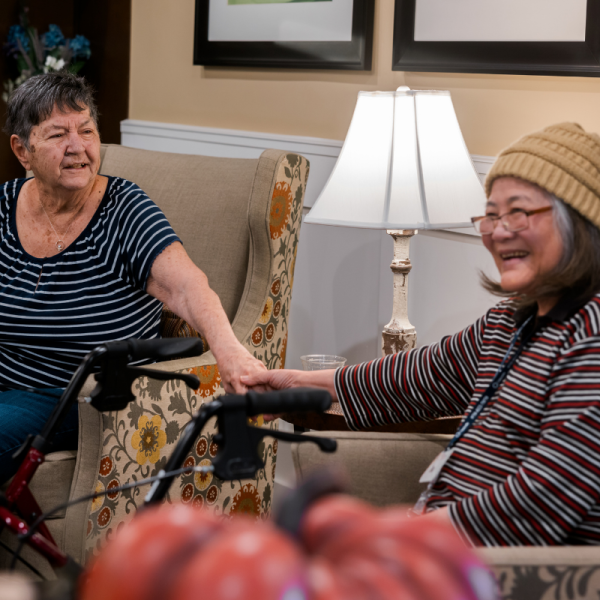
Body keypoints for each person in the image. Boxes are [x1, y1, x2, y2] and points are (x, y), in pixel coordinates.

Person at [243, 122, 600, 546]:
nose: (499, 232)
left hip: (520, 570)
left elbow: (548, 497)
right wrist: (298, 383)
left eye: (518, 213)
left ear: (578, 221)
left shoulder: (590, 336)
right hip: (452, 551)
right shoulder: (513, 319)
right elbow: (417, 376)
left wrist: (398, 537)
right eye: (490, 215)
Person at [0, 72, 265, 484]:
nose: (78, 147)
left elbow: (187, 286)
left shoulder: (124, 210)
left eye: (87, 130)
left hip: (77, 397)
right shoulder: (4, 207)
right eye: (57, 135)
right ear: (22, 150)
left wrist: (231, 353)